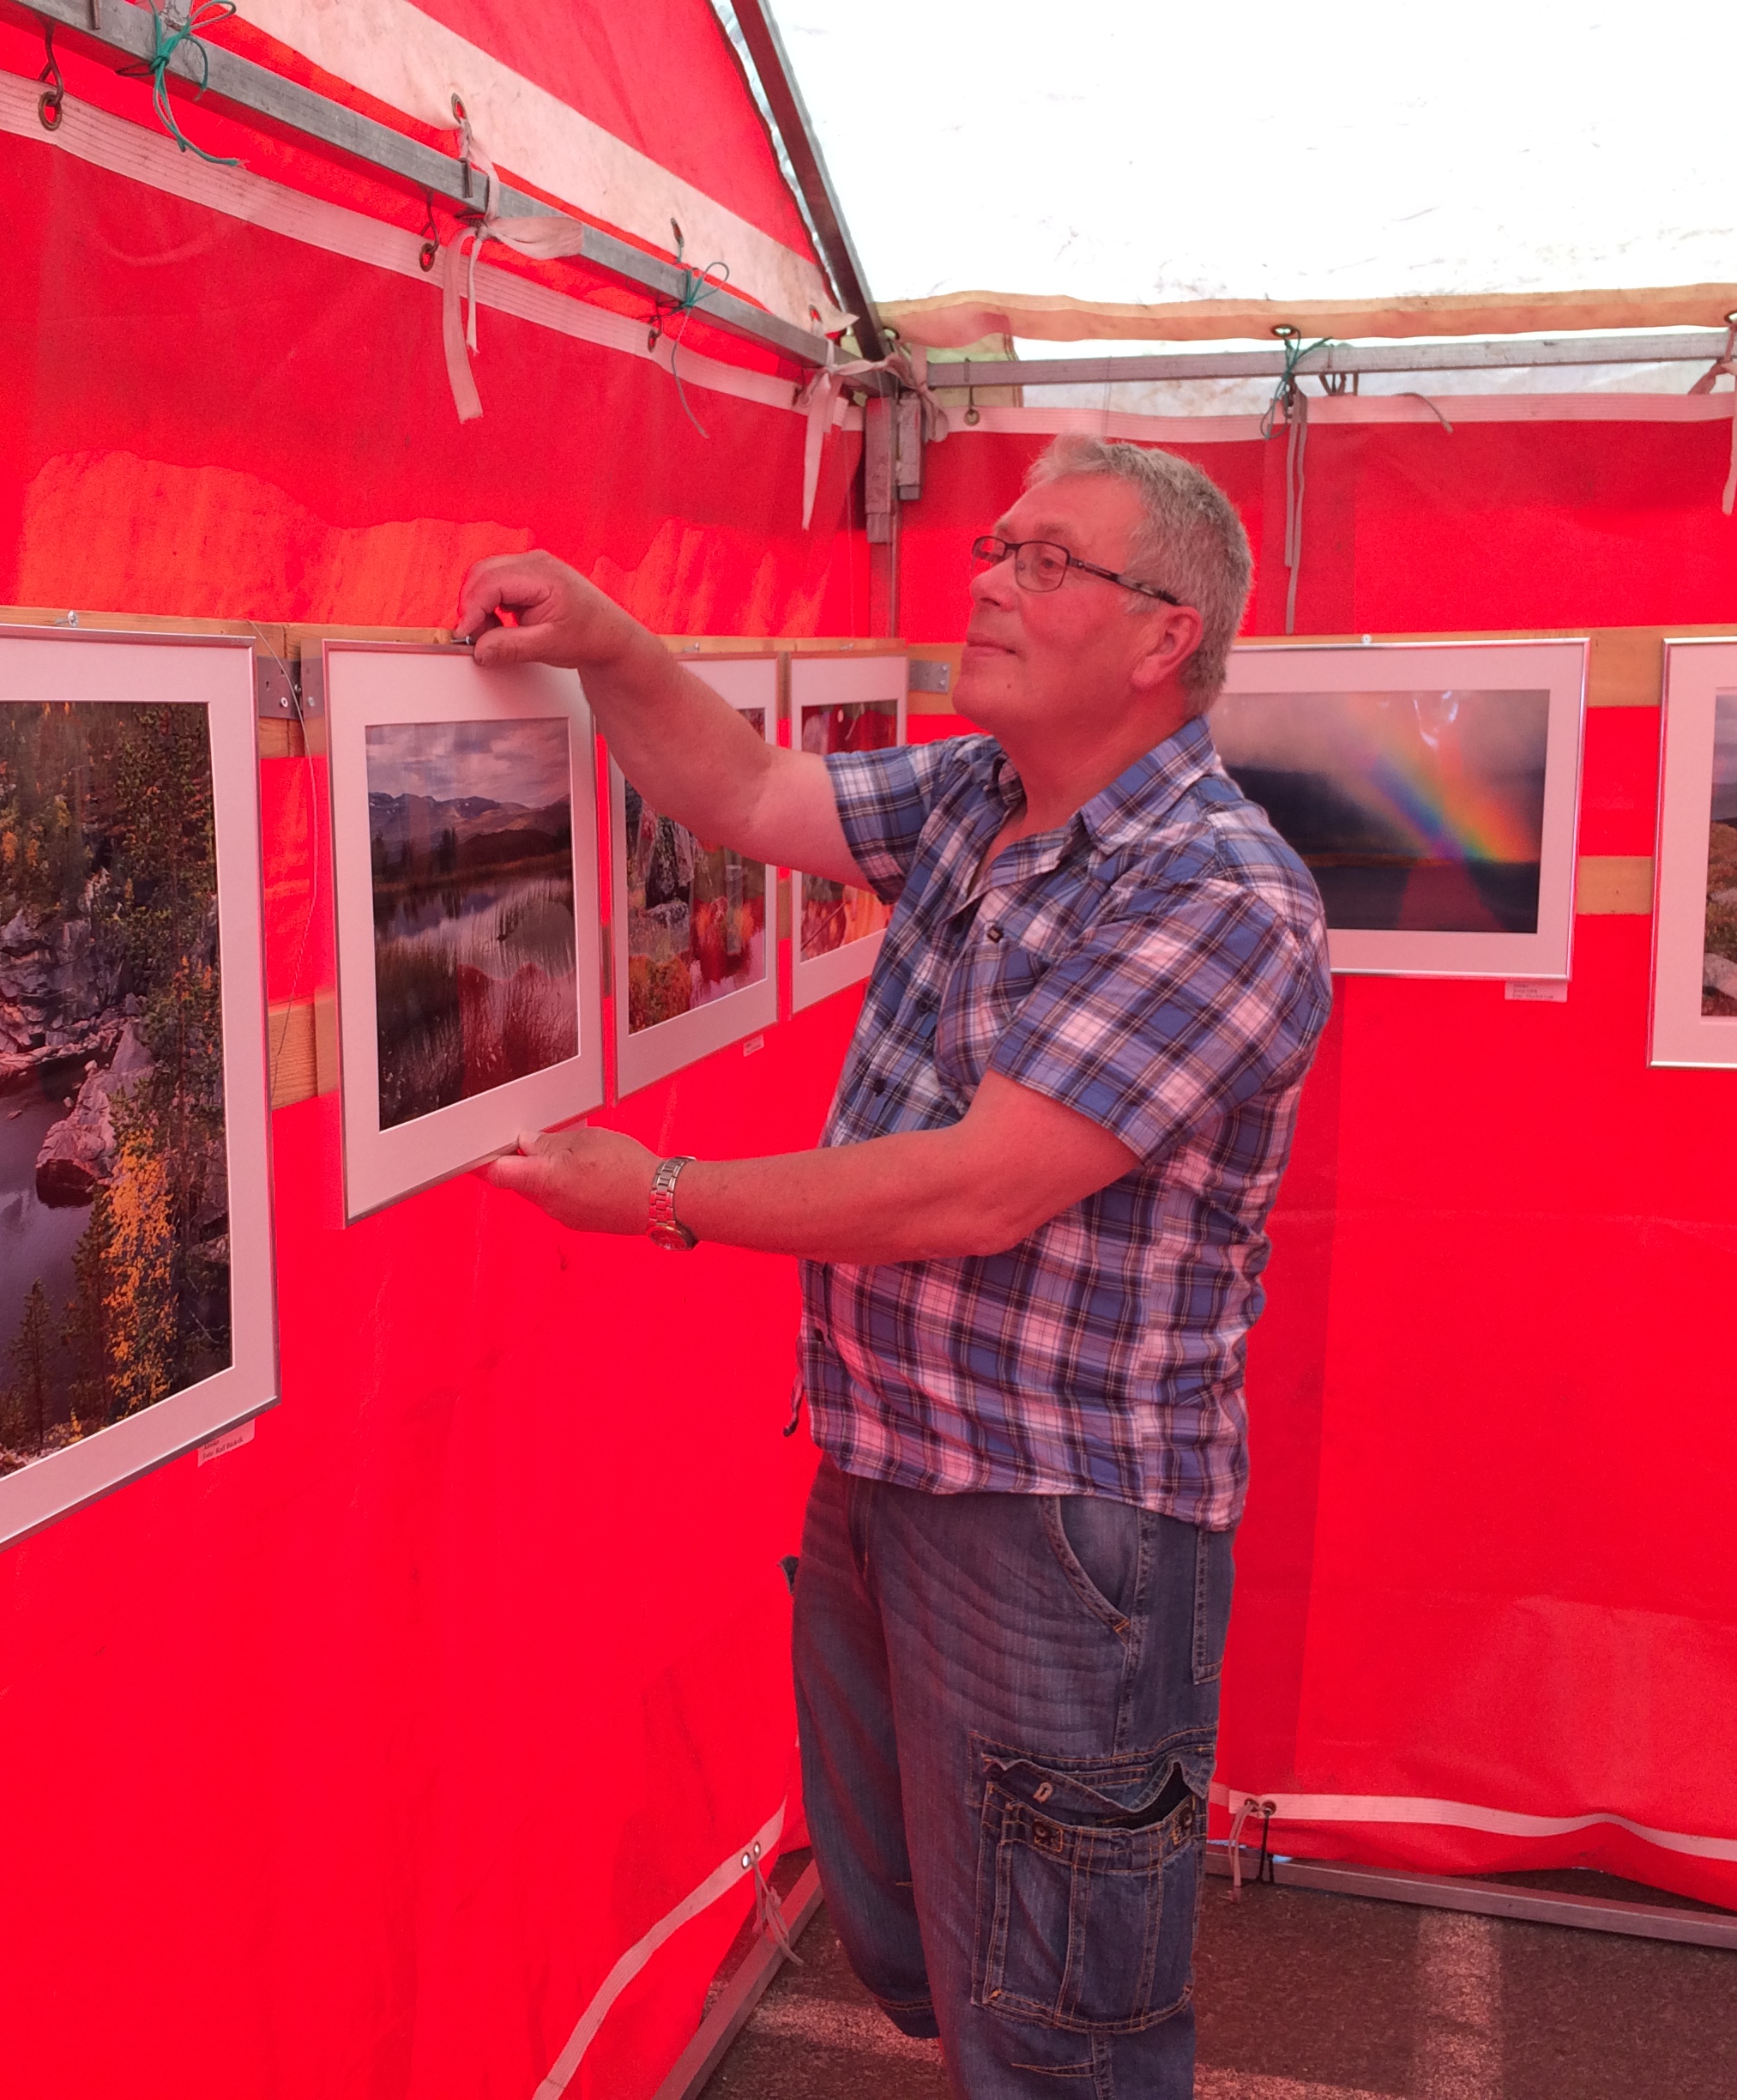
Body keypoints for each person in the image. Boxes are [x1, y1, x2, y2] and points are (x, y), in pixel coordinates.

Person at [458, 436, 1332, 2098]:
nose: (990, 573)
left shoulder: (1219, 895)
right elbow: (739, 792)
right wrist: (610, 642)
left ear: (1164, 641)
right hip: (886, 1464)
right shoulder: (976, 797)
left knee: (1060, 2024)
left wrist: (659, 1190)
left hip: (1061, 1516)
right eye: (995, 542)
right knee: (926, 1944)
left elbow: (980, 1191)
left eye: (1047, 558)